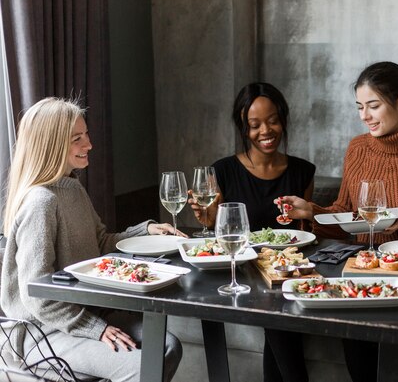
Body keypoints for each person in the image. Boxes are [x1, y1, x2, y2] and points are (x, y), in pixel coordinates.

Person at [280, 61, 398, 382]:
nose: (365, 116)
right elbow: (346, 213)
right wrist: (310, 211)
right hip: (360, 280)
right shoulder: (357, 148)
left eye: (374, 106)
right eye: (360, 107)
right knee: (362, 370)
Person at [1, 97, 183, 382]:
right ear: (51, 144)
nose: (89, 145)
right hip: (41, 332)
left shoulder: (72, 188)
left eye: (86, 135)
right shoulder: (41, 202)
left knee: (168, 346)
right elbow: (35, 295)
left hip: (79, 314)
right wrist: (94, 328)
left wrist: (145, 230)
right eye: (77, 138)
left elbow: (99, 243)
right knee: (142, 367)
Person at [188, 82, 315, 382]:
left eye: (273, 121)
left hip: (285, 271)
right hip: (243, 271)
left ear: (283, 119)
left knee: (278, 307)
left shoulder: (302, 171)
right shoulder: (223, 170)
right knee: (277, 312)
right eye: (254, 125)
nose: (266, 131)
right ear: (244, 129)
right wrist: (206, 218)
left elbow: (305, 231)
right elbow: (217, 227)